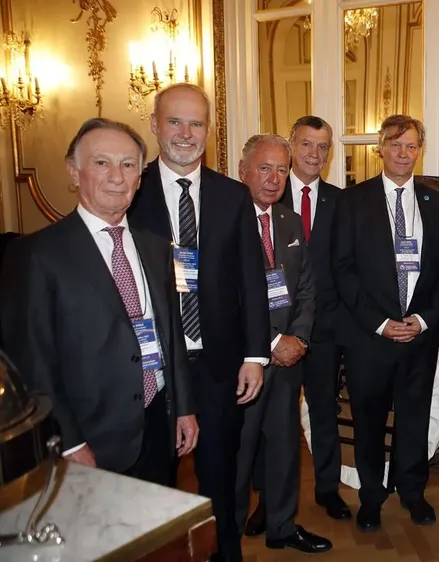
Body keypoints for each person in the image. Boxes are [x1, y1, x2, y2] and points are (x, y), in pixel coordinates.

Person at [0, 118, 198, 486]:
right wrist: (70, 441)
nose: (117, 177)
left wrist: (183, 409)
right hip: (89, 436)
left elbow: (170, 336)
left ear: (140, 179)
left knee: (155, 537)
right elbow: (32, 362)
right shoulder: (36, 256)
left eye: (128, 165)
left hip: (157, 424)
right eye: (102, 163)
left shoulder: (155, 249)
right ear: (74, 173)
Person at [128, 83, 270, 562]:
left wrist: (255, 355)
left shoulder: (234, 196)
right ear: (154, 125)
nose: (186, 134)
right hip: (151, 367)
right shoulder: (130, 190)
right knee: (152, 482)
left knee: (221, 478)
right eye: (175, 121)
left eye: (196, 124)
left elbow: (252, 281)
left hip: (219, 366)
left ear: (209, 130)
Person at [333, 114, 439, 532]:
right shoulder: (352, 201)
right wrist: (381, 323)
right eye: (395, 144)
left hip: (419, 336)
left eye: (412, 145)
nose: (404, 153)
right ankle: (371, 495)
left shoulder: (438, 205)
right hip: (371, 337)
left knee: (414, 419)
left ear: (421, 150)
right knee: (368, 420)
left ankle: (413, 491)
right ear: (379, 148)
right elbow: (343, 270)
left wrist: (421, 319)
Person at [245, 116, 350, 534]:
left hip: (321, 332)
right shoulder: (263, 194)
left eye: (323, 148)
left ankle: (328, 489)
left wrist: (307, 332)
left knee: (324, 412)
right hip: (269, 336)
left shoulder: (341, 202)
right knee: (273, 427)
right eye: (306, 145)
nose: (314, 154)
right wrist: (276, 337)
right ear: (291, 146)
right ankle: (266, 506)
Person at [231, 134, 331, 553]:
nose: (274, 179)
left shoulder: (289, 222)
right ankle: (227, 538)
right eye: (265, 168)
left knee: (285, 448)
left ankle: (282, 526)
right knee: (238, 456)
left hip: (289, 360)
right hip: (243, 363)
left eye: (281, 170)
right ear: (243, 171)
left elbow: (307, 287)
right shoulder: (224, 223)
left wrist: (299, 338)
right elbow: (222, 297)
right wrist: (270, 340)